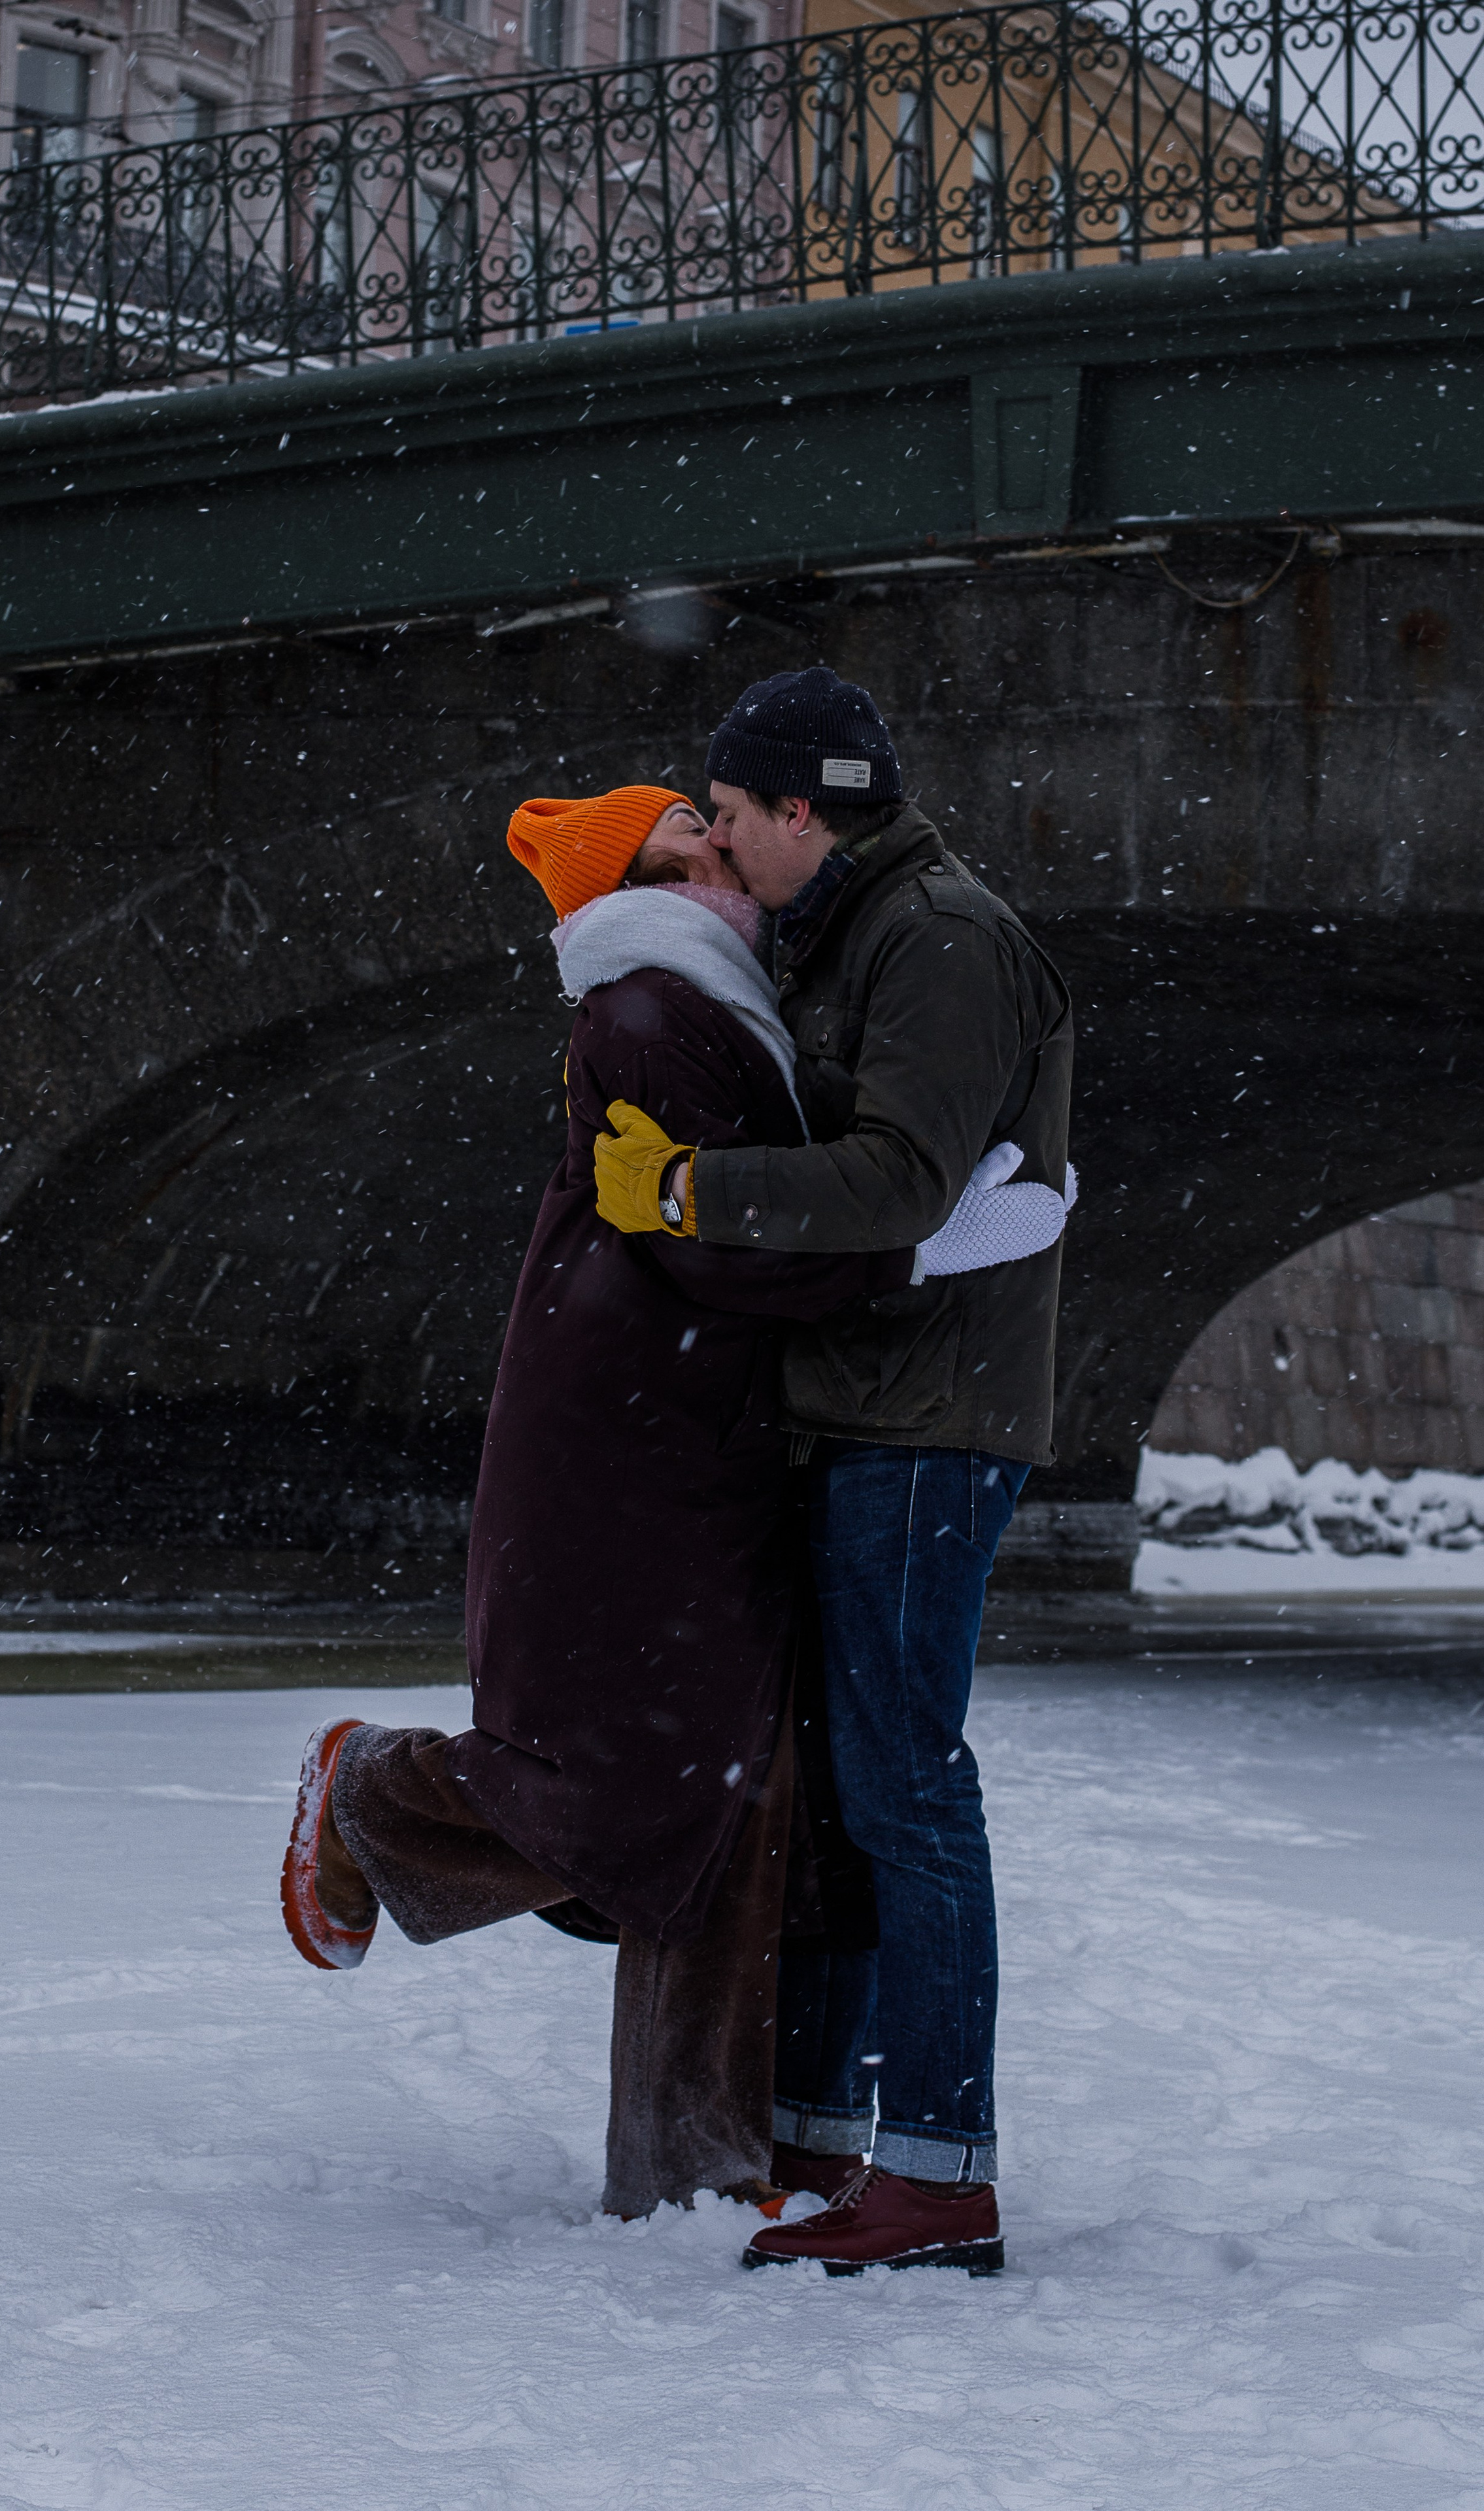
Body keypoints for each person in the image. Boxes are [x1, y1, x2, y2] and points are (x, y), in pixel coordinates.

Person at [280, 782, 911, 2221]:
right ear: (645, 866)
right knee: (649, 1788)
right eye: (690, 818)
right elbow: (711, 1248)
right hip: (629, 1447)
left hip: (700, 1436)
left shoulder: (717, 998)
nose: (719, 826)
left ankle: (693, 2175)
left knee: (734, 1806)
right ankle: (377, 1790)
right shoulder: (645, 1011)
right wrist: (906, 1255)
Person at [594, 668, 1074, 2275]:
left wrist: (690, 1194)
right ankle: (816, 2128)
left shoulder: (937, 936)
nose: (718, 844)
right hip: (865, 1413)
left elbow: (899, 1180)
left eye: (728, 814)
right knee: (844, 1792)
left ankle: (934, 2172)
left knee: (904, 1791)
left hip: (923, 1426)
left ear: (804, 807)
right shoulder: (861, 931)